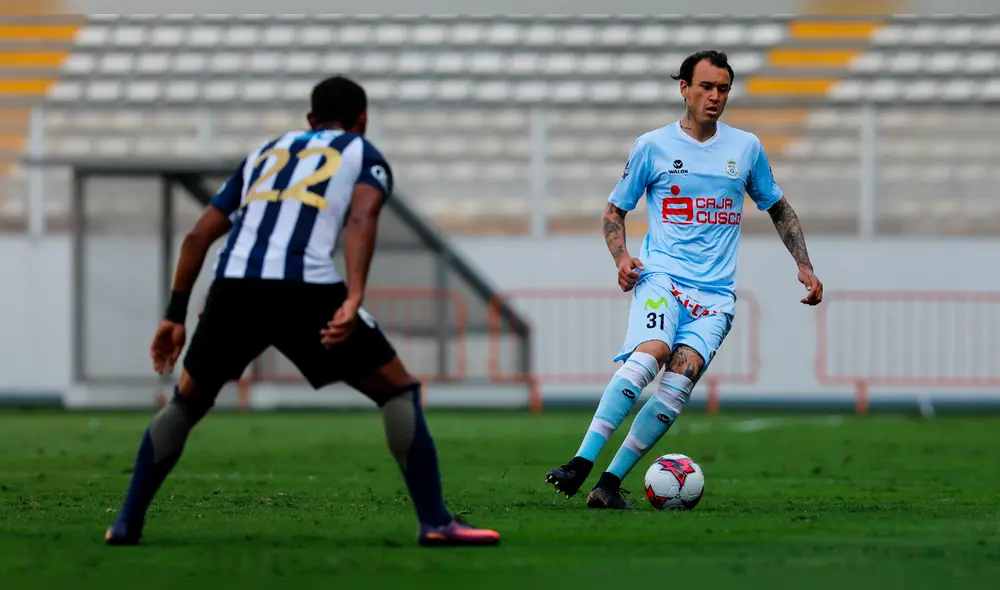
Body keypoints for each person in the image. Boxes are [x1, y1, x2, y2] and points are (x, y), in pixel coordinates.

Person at [104, 75, 501, 546]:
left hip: (233, 288)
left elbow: (197, 236)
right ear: (363, 121)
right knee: (398, 391)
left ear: (310, 119)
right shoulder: (362, 154)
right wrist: (353, 297)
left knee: (187, 401)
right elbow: (362, 218)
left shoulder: (264, 154)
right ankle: (435, 522)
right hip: (306, 288)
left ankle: (126, 523)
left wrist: (174, 315)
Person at [545, 50, 824, 509]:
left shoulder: (745, 148)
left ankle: (609, 484)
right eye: (707, 87)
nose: (715, 97)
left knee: (677, 386)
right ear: (685, 88)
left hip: (715, 298)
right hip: (663, 280)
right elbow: (615, 210)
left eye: (723, 89)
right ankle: (581, 462)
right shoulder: (653, 146)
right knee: (650, 355)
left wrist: (804, 264)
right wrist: (620, 257)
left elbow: (778, 206)